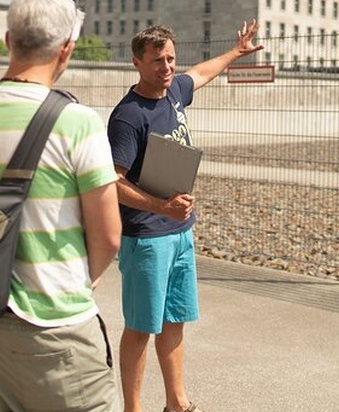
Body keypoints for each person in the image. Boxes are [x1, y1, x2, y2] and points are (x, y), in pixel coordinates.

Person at [0, 0, 122, 411]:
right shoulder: (78, 123)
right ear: (67, 50)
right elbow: (109, 235)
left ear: (7, 41)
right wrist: (80, 278)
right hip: (54, 326)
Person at [108, 21, 263, 412]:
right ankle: (133, 408)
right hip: (146, 237)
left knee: (175, 319)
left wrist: (235, 52)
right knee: (142, 326)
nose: (167, 67)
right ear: (136, 63)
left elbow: (201, 73)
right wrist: (161, 206)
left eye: (171, 58)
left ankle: (177, 403)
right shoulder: (128, 116)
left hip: (180, 231)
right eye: (157, 60)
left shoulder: (174, 92)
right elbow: (112, 182)